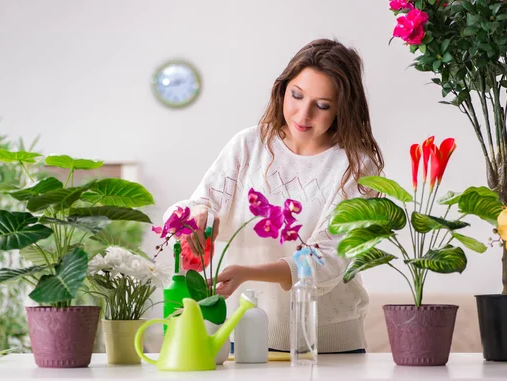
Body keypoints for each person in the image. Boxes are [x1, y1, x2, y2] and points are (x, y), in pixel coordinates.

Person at [164, 38, 384, 353]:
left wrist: (247, 274)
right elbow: (202, 204)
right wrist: (197, 219)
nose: (303, 114)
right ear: (282, 89)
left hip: (329, 346)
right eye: (296, 95)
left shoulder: (357, 166)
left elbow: (329, 258)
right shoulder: (248, 145)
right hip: (244, 335)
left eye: (322, 105)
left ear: (342, 108)